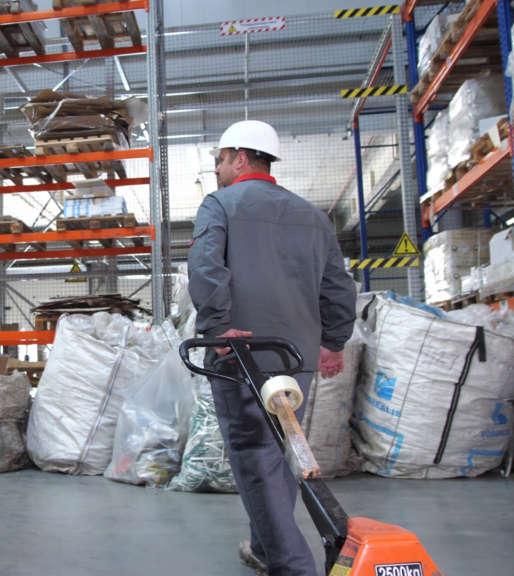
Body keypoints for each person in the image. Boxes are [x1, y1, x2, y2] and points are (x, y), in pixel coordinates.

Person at [187, 120, 357, 576]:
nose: (219, 169)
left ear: (240, 158)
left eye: (220, 160)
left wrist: (218, 328)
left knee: (255, 455)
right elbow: (338, 286)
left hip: (240, 353)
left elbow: (206, 270)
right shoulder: (313, 216)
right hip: (295, 355)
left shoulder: (219, 204)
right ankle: (265, 547)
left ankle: (293, 565)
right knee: (281, 448)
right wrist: (332, 341)